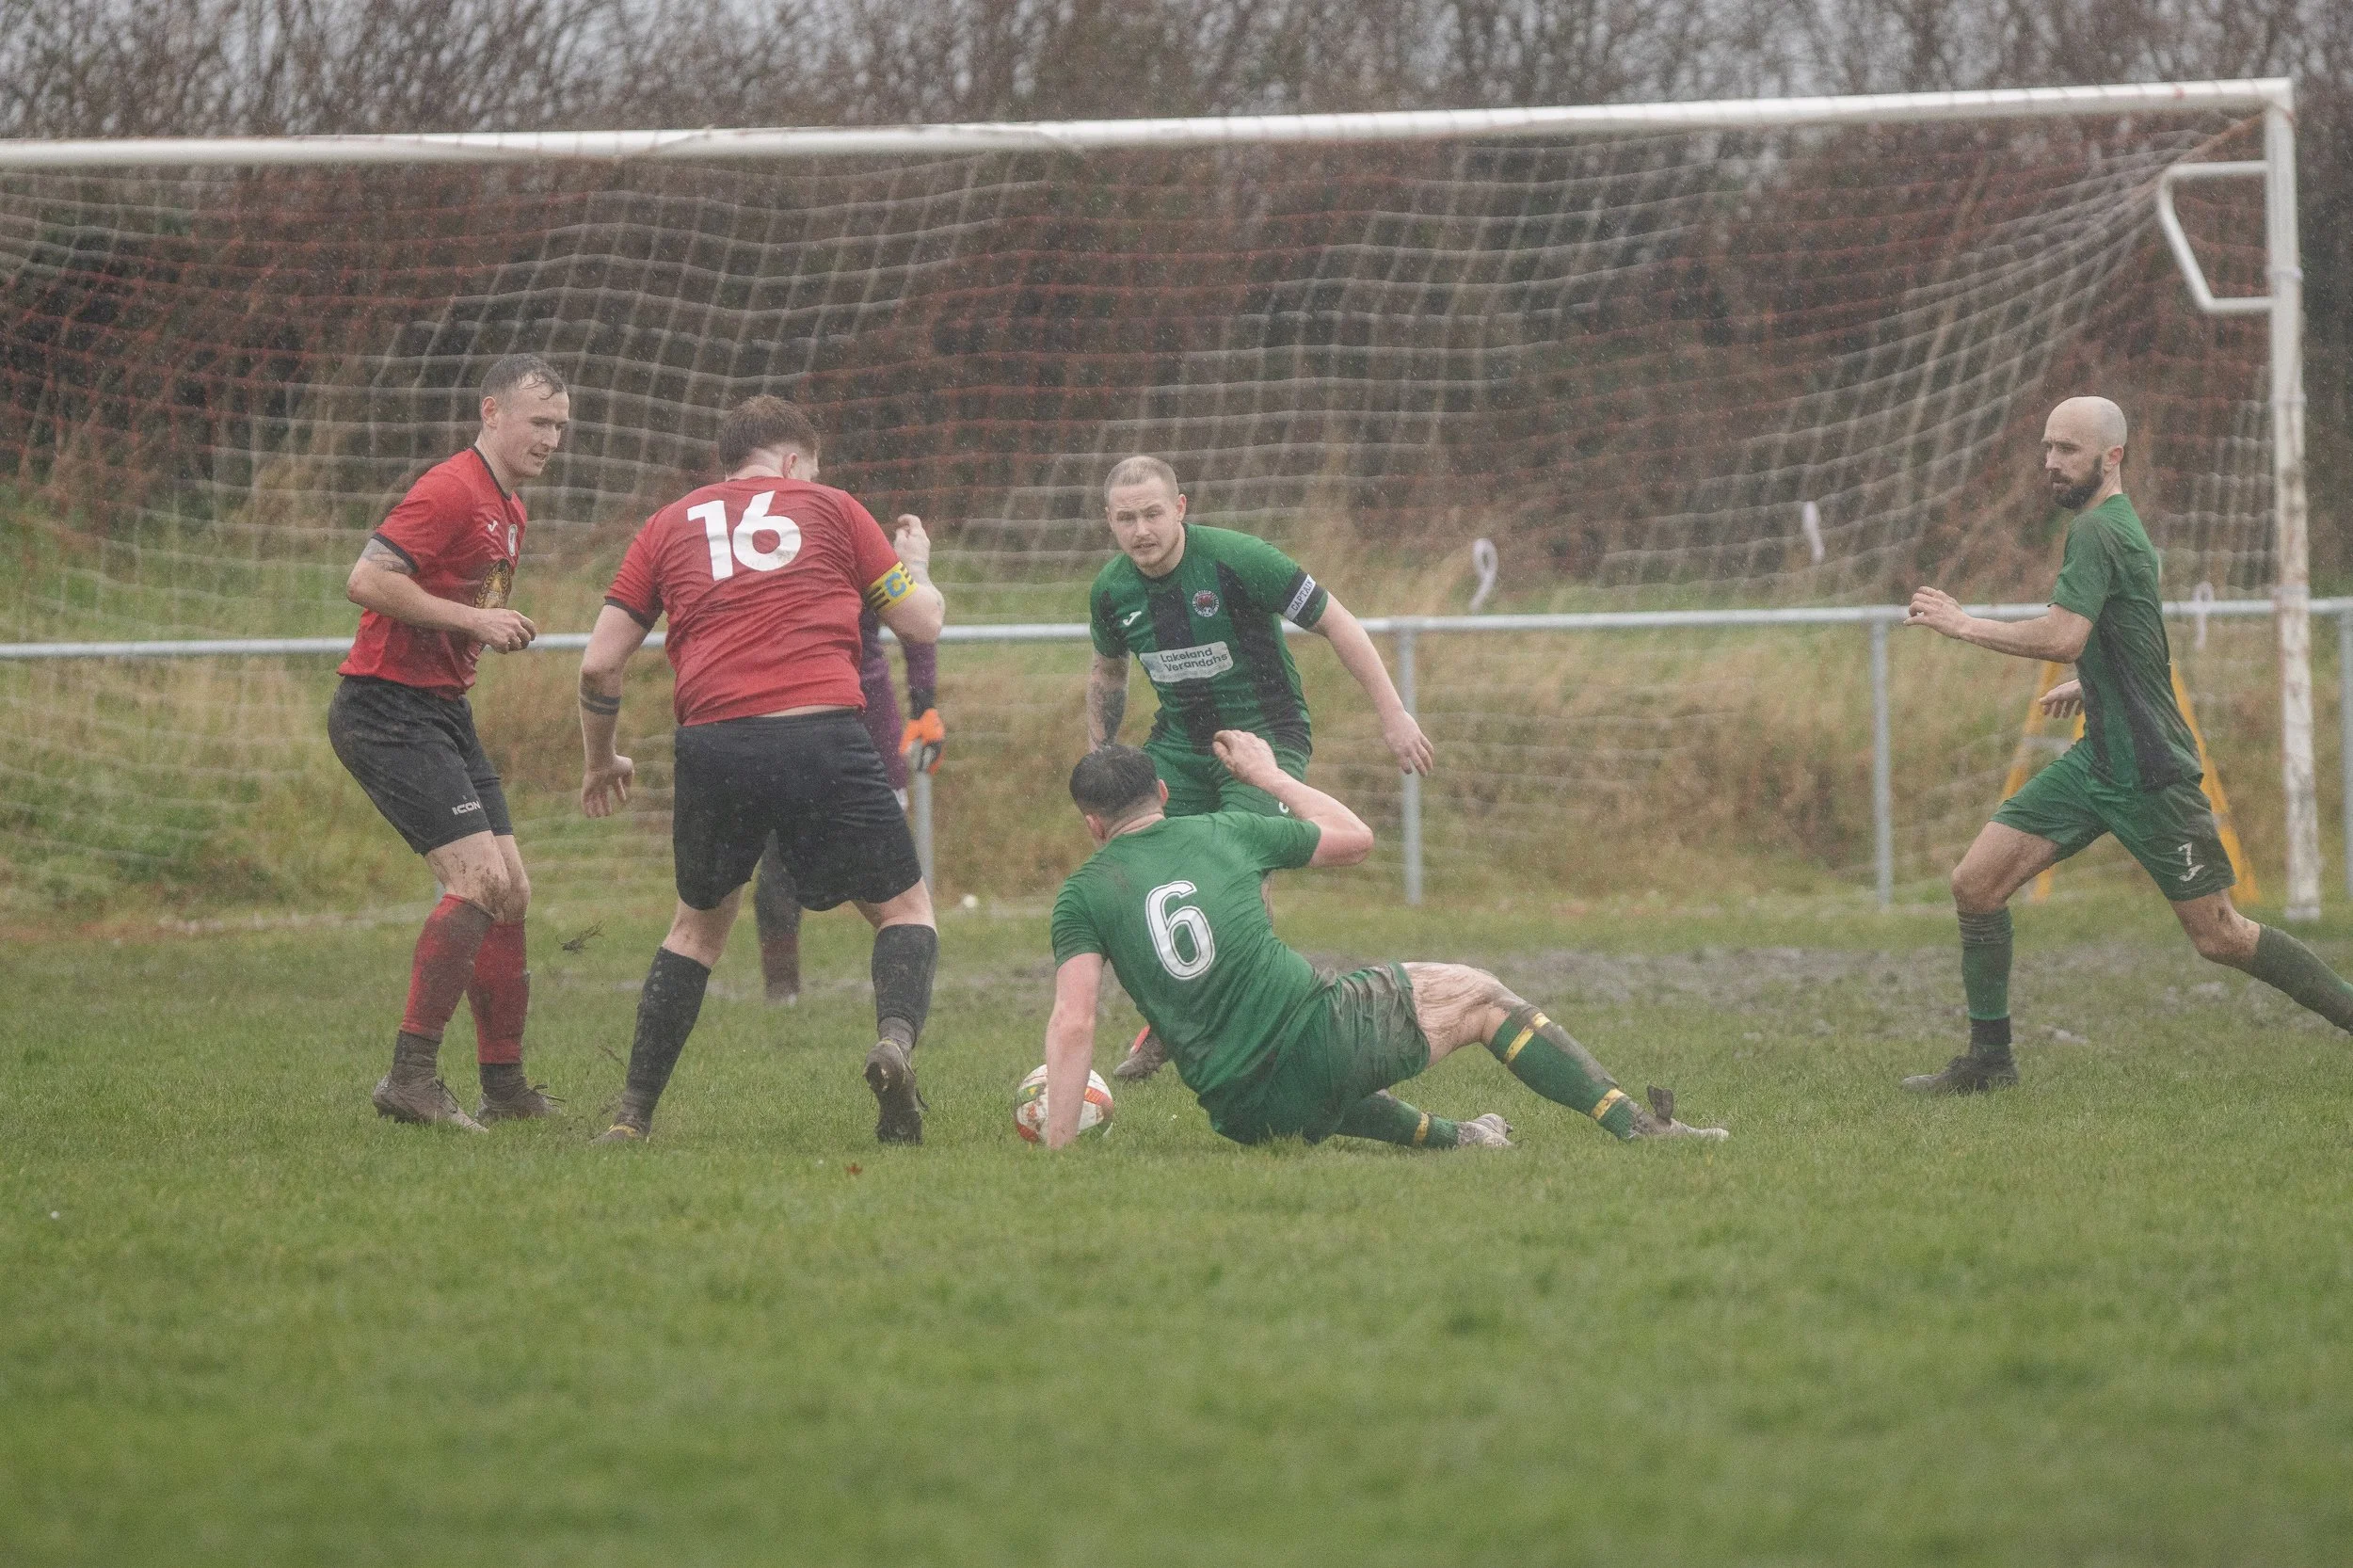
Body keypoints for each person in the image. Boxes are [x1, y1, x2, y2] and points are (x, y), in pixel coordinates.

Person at [1900, 394, 2353, 1092]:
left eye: (2069, 451)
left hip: (2147, 772)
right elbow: (2132, 631)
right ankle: (1989, 1065)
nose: (2052, 463)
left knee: (2222, 937)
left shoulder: (2099, 533)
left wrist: (1964, 624)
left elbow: (2063, 634)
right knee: (1976, 884)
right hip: (2097, 758)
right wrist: (2095, 684)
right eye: (2048, 448)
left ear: (2112, 457)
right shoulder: (2109, 528)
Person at [1036, 736, 1728, 1150]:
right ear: (1162, 791)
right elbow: (1357, 840)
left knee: (1318, 1086)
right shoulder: (1222, 830)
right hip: (1316, 1038)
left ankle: (1466, 1138)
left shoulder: (1082, 895)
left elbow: (1075, 1022)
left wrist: (1059, 1149)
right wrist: (1268, 776)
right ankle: (1639, 1128)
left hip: (1239, 1111)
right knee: (1482, 998)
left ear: (1092, 825)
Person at [576, 395, 946, 1144]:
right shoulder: (834, 508)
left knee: (695, 932)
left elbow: (599, 661)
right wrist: (914, 567)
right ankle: (894, 1045)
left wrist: (600, 760)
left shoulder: (668, 524)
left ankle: (633, 1115)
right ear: (789, 463)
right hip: (823, 735)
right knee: (905, 912)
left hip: (716, 745)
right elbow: (920, 623)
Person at [1083, 454, 1434, 1080]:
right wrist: (1101, 754)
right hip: (1179, 748)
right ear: (1109, 521)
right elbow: (1108, 672)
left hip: (1266, 739)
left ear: (1181, 507)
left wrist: (1394, 715)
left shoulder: (1239, 560)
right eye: (1127, 518)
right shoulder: (1112, 590)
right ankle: (1171, 1018)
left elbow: (1338, 622)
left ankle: (1245, 1027)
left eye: (1154, 514)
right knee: (1140, 866)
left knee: (1237, 874)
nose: (1142, 530)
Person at [328, 353, 569, 1132]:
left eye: (561, 426)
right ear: (491, 413)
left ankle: (504, 1088)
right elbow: (366, 579)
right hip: (385, 710)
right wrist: (474, 621)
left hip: (441, 712)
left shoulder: (511, 508)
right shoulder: (450, 488)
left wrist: (481, 625)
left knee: (511, 892)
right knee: (474, 882)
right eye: (539, 422)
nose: (552, 438)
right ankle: (411, 1078)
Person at [750, 616, 940, 1004]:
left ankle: (898, 996)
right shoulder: (767, 556)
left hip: (865, 719)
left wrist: (924, 705)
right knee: (777, 860)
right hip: (786, 718)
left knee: (890, 873)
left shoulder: (870, 554)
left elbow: (914, 620)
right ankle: (781, 995)